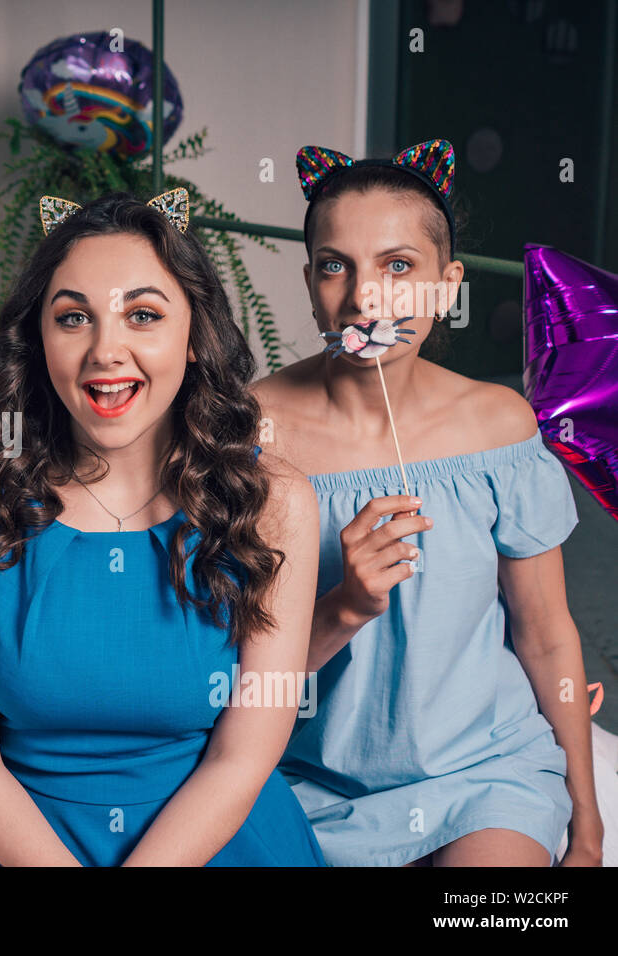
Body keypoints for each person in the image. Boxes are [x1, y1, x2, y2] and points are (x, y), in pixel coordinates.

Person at [0, 191, 326, 866]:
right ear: (38, 340)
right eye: (74, 317)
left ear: (194, 339)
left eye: (143, 315)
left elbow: (244, 753)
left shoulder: (275, 502)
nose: (108, 350)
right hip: (15, 844)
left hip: (210, 839)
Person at [254, 140, 604, 866]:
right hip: (306, 783)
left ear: (447, 287)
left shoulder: (500, 423)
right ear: (309, 281)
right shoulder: (247, 432)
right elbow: (231, 664)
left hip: (486, 775)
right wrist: (344, 603)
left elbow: (545, 634)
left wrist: (589, 831)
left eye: (399, 267)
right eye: (334, 266)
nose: (363, 299)